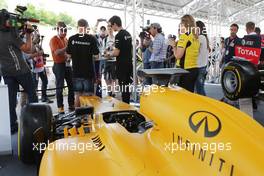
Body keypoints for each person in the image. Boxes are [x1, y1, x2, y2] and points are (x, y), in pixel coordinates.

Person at [0, 10, 38, 133]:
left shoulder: (8, 33)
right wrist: (28, 34)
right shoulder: (11, 35)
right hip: (21, 70)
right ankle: (35, 123)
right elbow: (29, 49)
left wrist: (19, 30)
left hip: (6, 71)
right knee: (32, 94)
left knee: (11, 100)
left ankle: (12, 126)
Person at [66, 19, 99, 107]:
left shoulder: (71, 39)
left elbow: (68, 56)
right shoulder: (91, 39)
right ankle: (88, 118)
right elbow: (96, 56)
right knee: (88, 96)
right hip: (88, 72)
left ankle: (78, 118)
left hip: (76, 72)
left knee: (78, 96)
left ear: (78, 27)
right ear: (86, 27)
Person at [106, 15, 132, 104]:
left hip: (122, 65)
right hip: (129, 63)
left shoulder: (119, 35)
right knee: (127, 86)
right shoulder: (128, 34)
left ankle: (125, 105)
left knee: (123, 86)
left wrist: (108, 54)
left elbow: (116, 53)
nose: (111, 28)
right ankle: (127, 103)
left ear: (115, 24)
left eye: (111, 25)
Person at [170, 14, 200, 92]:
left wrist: (173, 46)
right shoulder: (195, 37)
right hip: (194, 69)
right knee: (190, 95)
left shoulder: (184, 37)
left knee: (183, 96)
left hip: (184, 71)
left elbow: (178, 56)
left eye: (181, 24)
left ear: (184, 24)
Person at [50, 21, 75, 114]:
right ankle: (60, 107)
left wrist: (69, 55)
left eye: (66, 30)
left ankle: (71, 104)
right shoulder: (54, 39)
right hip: (58, 65)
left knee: (71, 85)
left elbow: (69, 52)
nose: (64, 32)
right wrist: (67, 47)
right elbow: (57, 52)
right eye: (62, 30)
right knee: (59, 87)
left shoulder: (66, 39)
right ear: (57, 29)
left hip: (67, 64)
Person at [30, 29, 53, 103]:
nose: (38, 39)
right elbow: (31, 53)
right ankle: (34, 100)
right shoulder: (30, 45)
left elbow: (42, 52)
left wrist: (41, 52)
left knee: (45, 82)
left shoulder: (38, 45)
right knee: (35, 86)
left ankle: (44, 97)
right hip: (35, 69)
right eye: (37, 37)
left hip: (41, 67)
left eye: (38, 38)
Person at [195, 21, 210, 96]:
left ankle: (205, 105)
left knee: (199, 90)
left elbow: (195, 51)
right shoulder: (205, 38)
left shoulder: (200, 37)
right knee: (200, 88)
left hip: (199, 67)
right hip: (202, 66)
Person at [103, 23, 117, 97]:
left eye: (111, 29)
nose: (110, 30)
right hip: (106, 60)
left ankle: (113, 92)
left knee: (114, 77)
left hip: (114, 60)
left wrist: (112, 52)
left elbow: (117, 49)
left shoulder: (116, 38)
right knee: (105, 77)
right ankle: (109, 90)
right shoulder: (105, 39)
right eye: (108, 29)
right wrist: (106, 52)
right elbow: (103, 50)